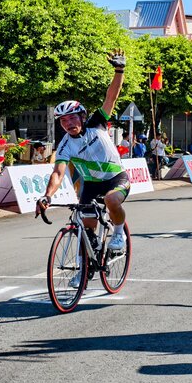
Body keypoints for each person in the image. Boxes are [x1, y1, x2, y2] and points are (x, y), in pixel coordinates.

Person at [37, 48, 130, 269]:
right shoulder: (65, 145)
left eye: (72, 118)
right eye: (63, 121)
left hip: (115, 179)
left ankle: (119, 233)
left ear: (82, 117)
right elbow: (58, 173)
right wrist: (47, 196)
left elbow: (112, 96)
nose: (68, 123)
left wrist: (119, 69)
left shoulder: (97, 124)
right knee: (85, 229)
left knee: (111, 200)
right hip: (90, 185)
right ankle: (86, 266)